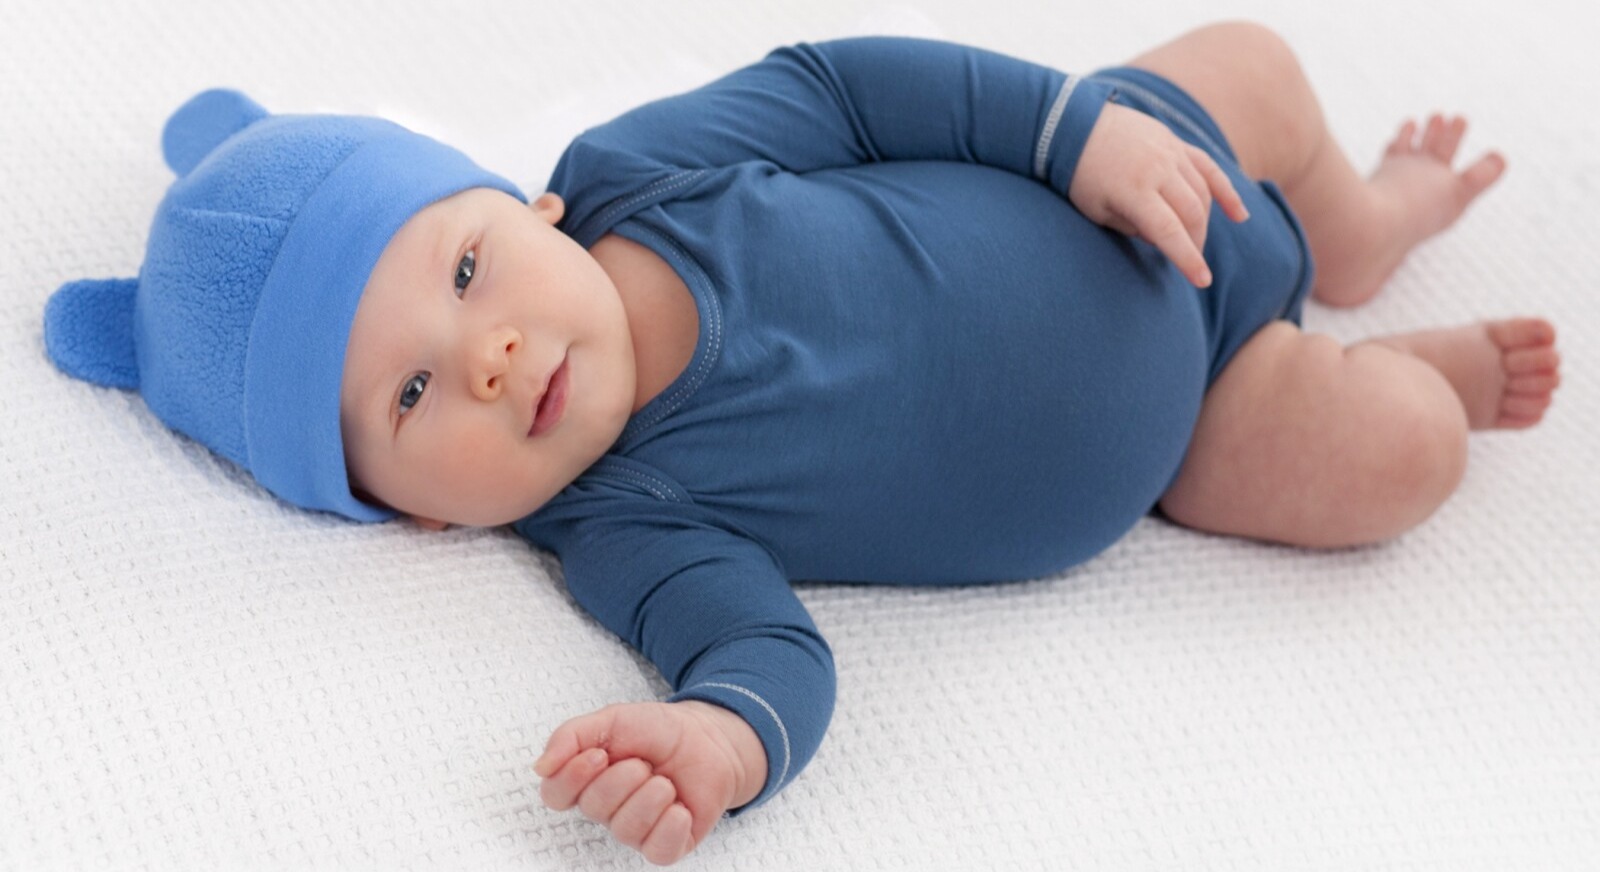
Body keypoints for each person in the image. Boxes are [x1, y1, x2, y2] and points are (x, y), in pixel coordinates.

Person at [42, 21, 1560, 867]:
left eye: (462, 272)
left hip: (1141, 181)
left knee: (1255, 63)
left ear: (527, 205)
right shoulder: (624, 522)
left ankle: (1350, 234)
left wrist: (1073, 137)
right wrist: (723, 743)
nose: (489, 354)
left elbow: (849, 87)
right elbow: (765, 648)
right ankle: (1356, 355)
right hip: (1190, 431)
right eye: (413, 401)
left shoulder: (641, 169)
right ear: (414, 518)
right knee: (1402, 455)